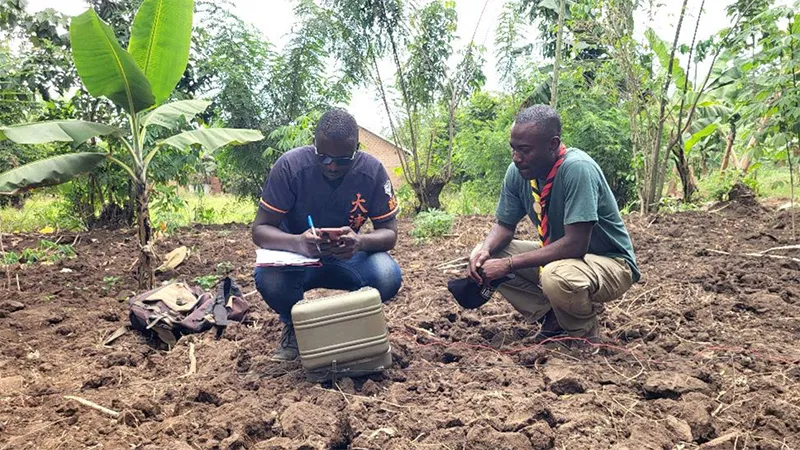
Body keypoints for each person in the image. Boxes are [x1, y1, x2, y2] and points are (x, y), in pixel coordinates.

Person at [466, 104, 639, 346]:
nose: (517, 157)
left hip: (610, 262)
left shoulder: (577, 169)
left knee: (556, 276)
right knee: (488, 254)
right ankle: (552, 318)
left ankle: (582, 336)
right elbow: (504, 226)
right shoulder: (518, 172)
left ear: (552, 144)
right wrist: (485, 250)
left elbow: (576, 245)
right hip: (566, 261)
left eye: (525, 150)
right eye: (513, 149)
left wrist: (508, 265)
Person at [252, 108, 402, 361]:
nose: (332, 166)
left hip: (349, 256)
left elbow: (390, 234)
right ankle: (295, 326)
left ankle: (354, 327)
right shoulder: (290, 167)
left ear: (356, 150)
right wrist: (298, 242)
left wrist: (359, 241)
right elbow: (260, 229)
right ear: (314, 146)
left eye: (343, 160)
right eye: (323, 157)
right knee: (270, 279)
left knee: (387, 274)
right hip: (298, 258)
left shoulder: (372, 171)